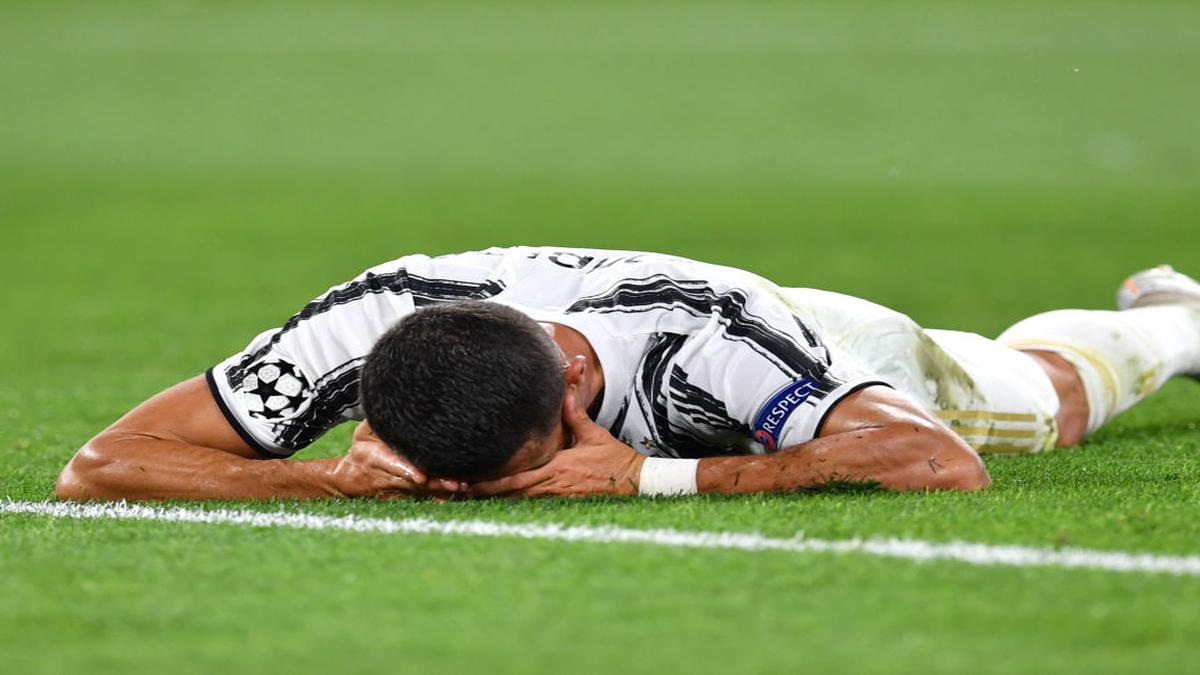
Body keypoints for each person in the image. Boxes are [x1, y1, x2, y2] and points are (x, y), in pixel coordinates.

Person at [55, 248, 1200, 500]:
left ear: (566, 386)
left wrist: (654, 480)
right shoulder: (361, 329)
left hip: (818, 343)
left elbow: (936, 465)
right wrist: (328, 482)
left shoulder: (713, 338)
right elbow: (101, 467)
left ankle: (1172, 324)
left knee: (1034, 401)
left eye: (523, 469)